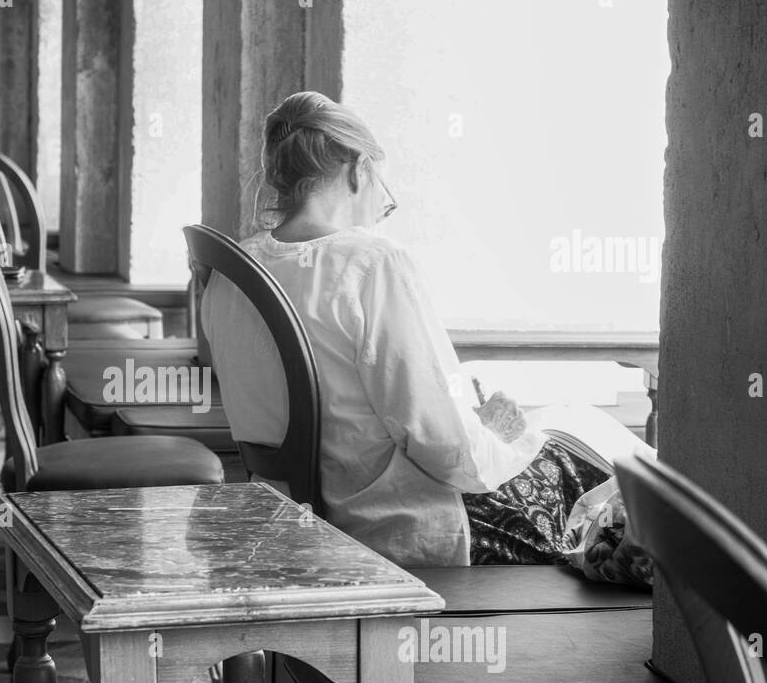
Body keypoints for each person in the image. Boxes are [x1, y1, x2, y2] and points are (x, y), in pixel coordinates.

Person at [200, 91, 609, 568]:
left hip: (286, 517)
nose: (380, 209)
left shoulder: (232, 270)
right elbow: (443, 447)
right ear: (359, 169)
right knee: (591, 467)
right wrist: (493, 435)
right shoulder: (373, 263)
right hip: (389, 524)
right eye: (383, 194)